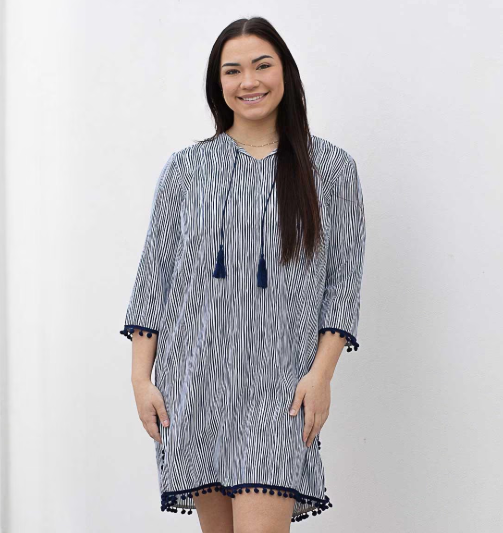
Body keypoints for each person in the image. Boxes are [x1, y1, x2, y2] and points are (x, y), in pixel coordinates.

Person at [120, 16, 366, 533]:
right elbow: (154, 277)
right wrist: (141, 380)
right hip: (195, 383)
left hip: (280, 388)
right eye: (232, 71)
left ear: (285, 72)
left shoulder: (330, 169)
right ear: (218, 84)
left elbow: (343, 282)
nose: (248, 81)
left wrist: (321, 376)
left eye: (261, 65)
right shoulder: (186, 169)